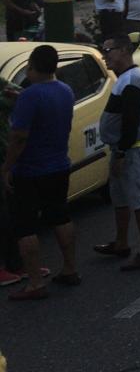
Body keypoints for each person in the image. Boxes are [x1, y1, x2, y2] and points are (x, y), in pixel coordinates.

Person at [1, 45, 78, 300]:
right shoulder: (65, 91)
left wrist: (8, 167)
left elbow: (19, 136)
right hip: (59, 164)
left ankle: (34, 282)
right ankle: (69, 267)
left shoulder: (30, 97)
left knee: (25, 225)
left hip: (30, 169)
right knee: (60, 216)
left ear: (33, 66)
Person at [93, 35, 140, 271]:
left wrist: (121, 153)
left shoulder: (132, 80)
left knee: (138, 201)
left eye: (108, 50)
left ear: (123, 51)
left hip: (132, 151)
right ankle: (121, 243)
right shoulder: (125, 78)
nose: (104, 55)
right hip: (123, 149)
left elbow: (130, 122)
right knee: (120, 198)